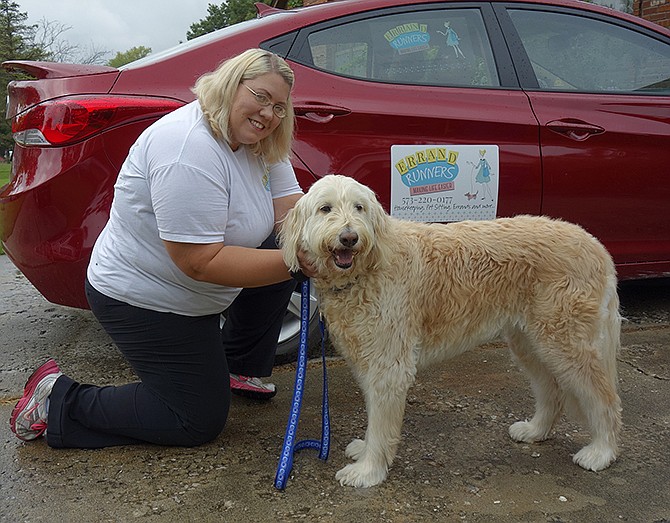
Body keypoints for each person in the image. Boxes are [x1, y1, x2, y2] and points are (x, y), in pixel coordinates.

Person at [10, 48, 312, 448]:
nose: (269, 113)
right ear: (228, 84)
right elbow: (200, 262)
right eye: (259, 96)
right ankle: (56, 400)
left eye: (278, 106)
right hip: (144, 298)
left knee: (291, 244)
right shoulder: (187, 150)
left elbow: (290, 213)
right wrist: (304, 262)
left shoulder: (260, 139)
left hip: (195, 294)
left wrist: (325, 238)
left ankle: (236, 366)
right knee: (196, 420)